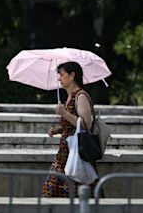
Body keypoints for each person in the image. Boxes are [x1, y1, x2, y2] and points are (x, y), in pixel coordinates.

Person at [42, 61, 98, 197]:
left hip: (76, 153)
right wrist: (58, 130)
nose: (59, 78)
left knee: (75, 193)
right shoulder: (69, 97)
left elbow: (86, 124)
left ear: (72, 75)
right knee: (53, 192)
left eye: (61, 74)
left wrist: (64, 113)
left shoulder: (81, 96)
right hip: (64, 153)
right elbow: (72, 125)